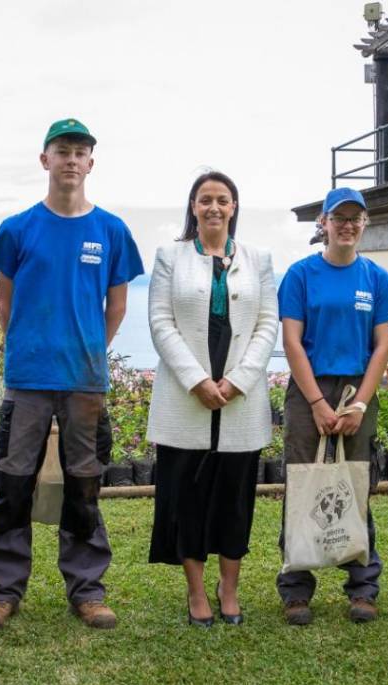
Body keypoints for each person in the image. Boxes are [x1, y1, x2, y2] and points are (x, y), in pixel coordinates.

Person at [0, 118, 144, 631]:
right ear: (44, 159)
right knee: (13, 482)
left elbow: (116, 308)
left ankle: (87, 590)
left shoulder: (111, 231)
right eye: (62, 151)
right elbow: (5, 306)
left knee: (84, 486)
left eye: (80, 152)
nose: (71, 159)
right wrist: (33, 348)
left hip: (84, 382)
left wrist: (88, 350)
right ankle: (3, 590)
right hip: (27, 380)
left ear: (91, 163)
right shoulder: (17, 229)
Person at [146, 171, 278, 626]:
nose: (214, 207)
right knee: (187, 498)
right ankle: (197, 591)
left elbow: (267, 323)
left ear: (234, 207)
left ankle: (230, 587)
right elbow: (161, 322)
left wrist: (239, 379)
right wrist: (196, 380)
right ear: (193, 207)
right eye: (205, 200)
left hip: (241, 398)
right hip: (186, 397)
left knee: (234, 499)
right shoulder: (170, 257)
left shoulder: (259, 259)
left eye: (223, 199)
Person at [277, 187, 388, 626]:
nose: (347, 225)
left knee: (356, 485)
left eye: (355, 218)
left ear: (364, 223)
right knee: (302, 484)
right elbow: (292, 341)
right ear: (323, 223)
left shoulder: (377, 279)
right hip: (309, 387)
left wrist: (360, 403)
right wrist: (315, 402)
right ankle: (296, 589)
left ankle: (363, 587)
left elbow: (382, 345)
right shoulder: (300, 275)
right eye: (338, 218)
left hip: (357, 389)